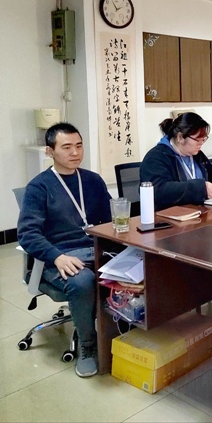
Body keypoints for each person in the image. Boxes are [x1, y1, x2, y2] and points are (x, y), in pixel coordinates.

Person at [17, 123, 112, 378]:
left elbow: (109, 222)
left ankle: (121, 332)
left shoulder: (93, 181)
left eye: (79, 146)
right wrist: (57, 257)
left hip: (94, 249)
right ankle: (88, 346)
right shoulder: (39, 187)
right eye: (67, 147)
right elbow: (27, 234)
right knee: (82, 281)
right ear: (50, 151)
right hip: (57, 257)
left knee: (138, 266)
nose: (75, 152)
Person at [140, 112, 212, 211]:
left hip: (202, 212)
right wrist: (200, 188)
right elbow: (159, 191)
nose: (201, 143)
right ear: (180, 137)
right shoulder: (156, 157)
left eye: (203, 139)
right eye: (197, 140)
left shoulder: (197, 154)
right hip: (172, 215)